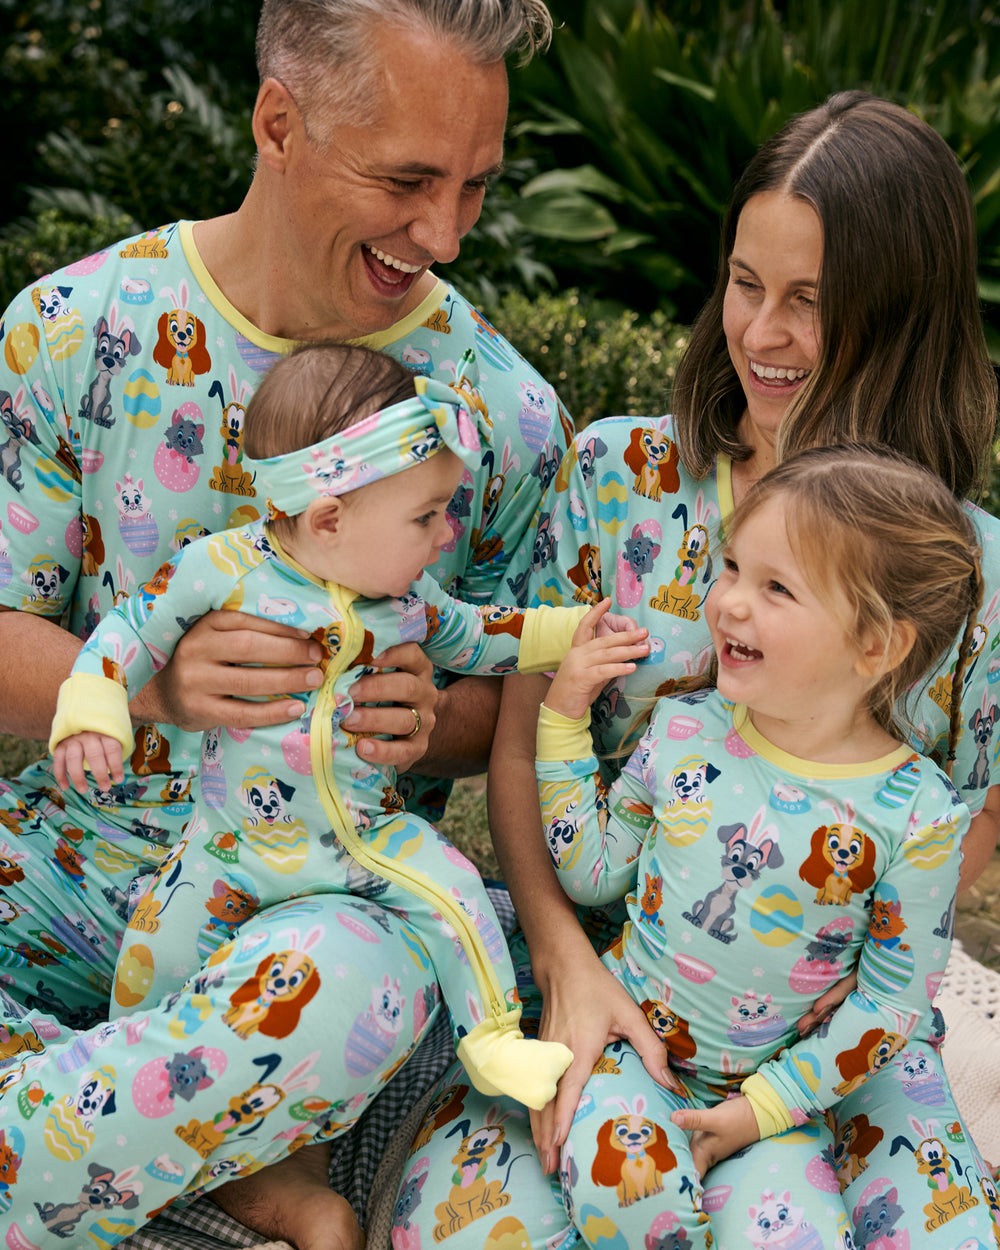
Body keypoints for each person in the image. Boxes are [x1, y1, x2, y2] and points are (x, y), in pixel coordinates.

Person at [0, 1, 569, 1245]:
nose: (445, 235)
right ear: (277, 122)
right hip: (66, 875)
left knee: (362, 985)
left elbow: (516, 705)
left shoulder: (506, 415)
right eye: (409, 179)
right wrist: (153, 686)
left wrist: (435, 713)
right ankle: (204, 1154)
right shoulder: (69, 331)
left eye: (475, 185)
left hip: (316, 929)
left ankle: (91, 1140)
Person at [397, 92, 1000, 1248]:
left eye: (810, 303)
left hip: (839, 1056)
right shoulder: (619, 476)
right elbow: (526, 739)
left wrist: (783, 1077)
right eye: (744, 283)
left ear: (903, 316)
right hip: (603, 981)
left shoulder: (969, 578)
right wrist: (569, 963)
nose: (760, 333)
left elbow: (932, 872)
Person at [49, 340, 600, 1115]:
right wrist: (94, 707)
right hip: (228, 843)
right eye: (426, 515)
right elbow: (132, 631)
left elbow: (484, 636)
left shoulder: (411, 603)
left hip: (363, 842)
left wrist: (577, 630)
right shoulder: (222, 570)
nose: (446, 535)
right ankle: (129, 1072)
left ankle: (496, 1043)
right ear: (330, 518)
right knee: (156, 947)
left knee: (460, 900)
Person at [538, 444, 982, 1244]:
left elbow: (889, 1004)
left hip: (778, 1101)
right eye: (734, 566)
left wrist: (760, 1113)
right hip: (630, 1056)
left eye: (776, 587)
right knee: (627, 1197)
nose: (730, 603)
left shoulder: (919, 817)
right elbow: (592, 869)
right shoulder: (681, 731)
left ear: (876, 645)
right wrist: (562, 718)